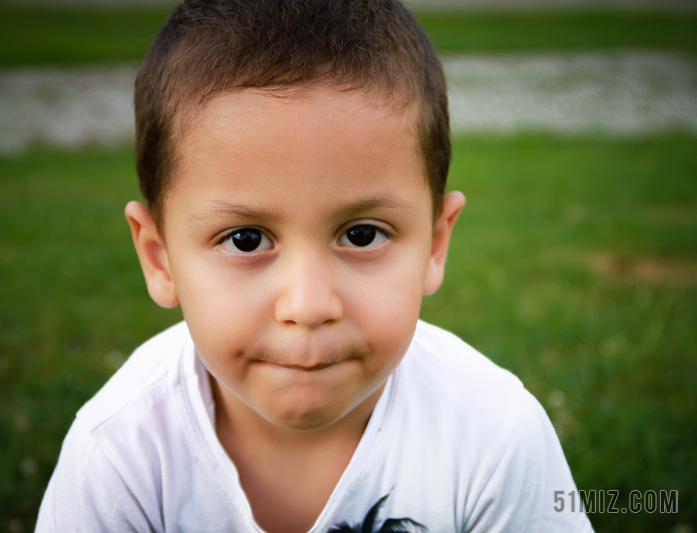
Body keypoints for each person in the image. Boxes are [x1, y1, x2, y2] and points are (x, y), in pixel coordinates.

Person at [36, 0, 593, 531]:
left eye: (362, 234)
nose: (308, 306)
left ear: (433, 245)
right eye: (247, 239)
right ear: (160, 258)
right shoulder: (120, 453)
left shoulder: (493, 436)